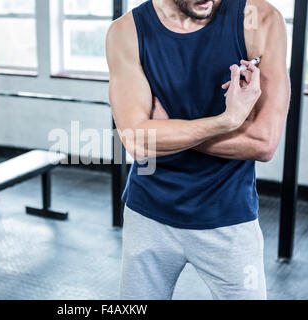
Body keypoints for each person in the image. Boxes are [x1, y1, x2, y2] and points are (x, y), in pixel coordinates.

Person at [106, 0, 291, 300]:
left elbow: (264, 141)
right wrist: (227, 121)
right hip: (149, 215)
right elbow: (136, 141)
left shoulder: (260, 20)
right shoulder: (126, 32)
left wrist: (169, 131)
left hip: (230, 217)